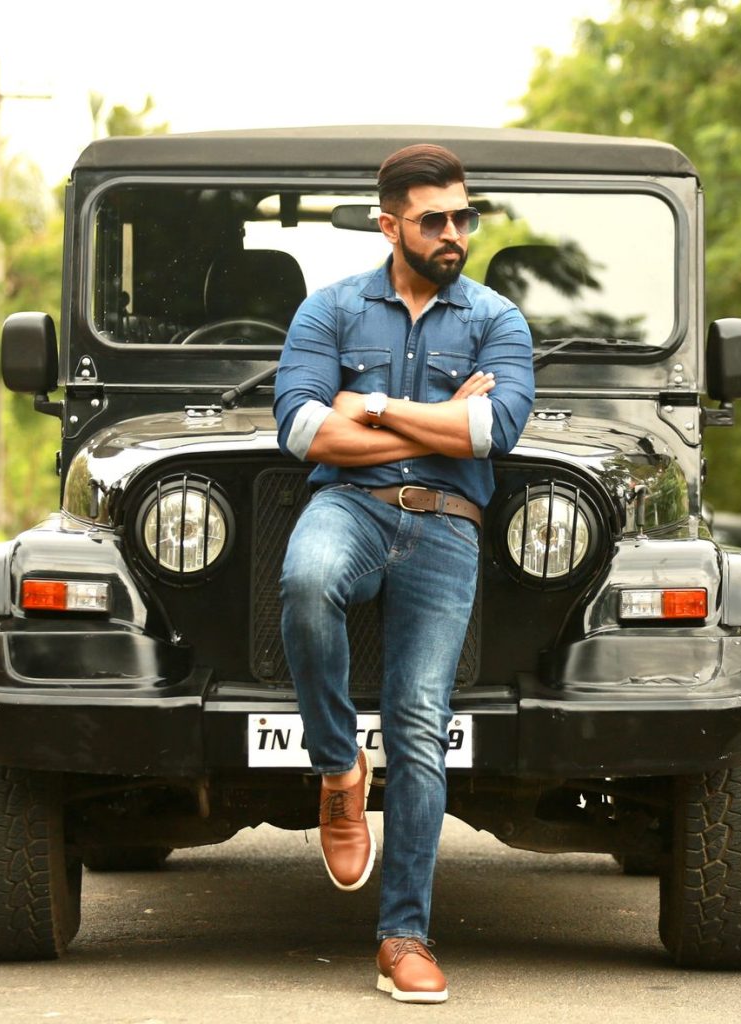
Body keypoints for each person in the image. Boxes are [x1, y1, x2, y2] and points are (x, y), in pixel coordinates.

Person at [273, 143, 534, 1003]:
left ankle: (404, 938)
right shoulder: (330, 310)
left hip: (447, 527)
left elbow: (492, 434)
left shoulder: (497, 319)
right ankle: (339, 768)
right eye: (434, 219)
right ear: (390, 225)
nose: (454, 231)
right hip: (346, 507)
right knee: (306, 585)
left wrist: (377, 406)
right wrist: (440, 417)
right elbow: (305, 432)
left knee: (421, 726)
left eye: (463, 215)